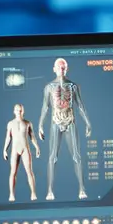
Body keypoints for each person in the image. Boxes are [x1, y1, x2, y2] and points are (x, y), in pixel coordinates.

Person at [38, 58, 92, 201]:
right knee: (52, 157)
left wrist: (88, 123)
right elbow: (45, 107)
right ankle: (49, 191)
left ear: (66, 69)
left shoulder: (73, 86)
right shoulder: (49, 87)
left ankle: (82, 189)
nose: (61, 69)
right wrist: (40, 125)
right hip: (55, 121)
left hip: (70, 121)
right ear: (54, 69)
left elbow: (80, 105)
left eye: (63, 67)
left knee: (76, 156)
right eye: (59, 67)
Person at [3, 103, 40, 201]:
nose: (19, 112)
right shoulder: (10, 124)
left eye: (20, 110)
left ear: (23, 111)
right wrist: (5, 149)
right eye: (17, 110)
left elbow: (32, 137)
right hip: (15, 149)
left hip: (25, 149)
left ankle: (33, 193)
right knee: (13, 172)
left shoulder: (28, 123)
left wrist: (37, 147)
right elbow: (8, 137)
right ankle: (11, 194)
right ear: (14, 111)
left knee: (29, 171)